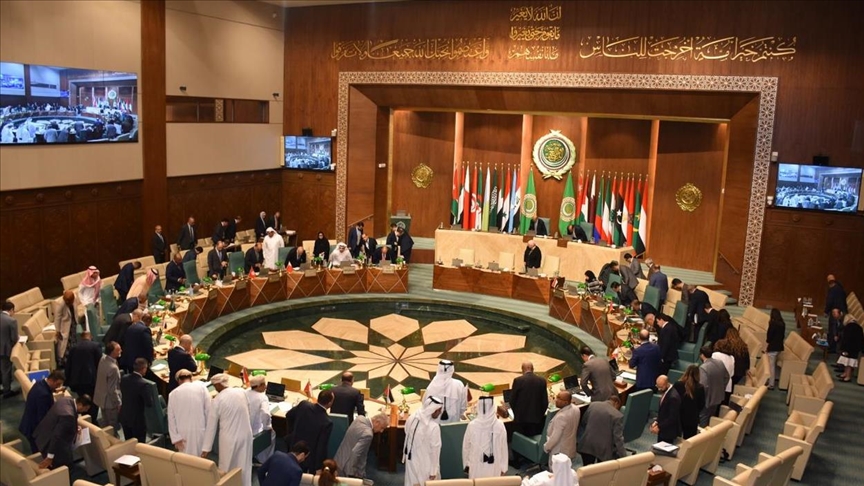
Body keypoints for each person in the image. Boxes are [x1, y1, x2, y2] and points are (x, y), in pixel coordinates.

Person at [203, 374, 254, 486]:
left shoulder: (217, 400)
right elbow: (249, 411)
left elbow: (211, 426)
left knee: (226, 467)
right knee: (245, 465)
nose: (215, 388)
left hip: (228, 438)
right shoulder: (242, 392)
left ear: (218, 384)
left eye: (215, 386)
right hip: (245, 435)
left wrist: (206, 448)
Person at [33, 394, 92, 470]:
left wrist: (74, 427)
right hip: (52, 445)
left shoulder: (66, 400)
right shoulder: (68, 416)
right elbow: (57, 437)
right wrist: (50, 457)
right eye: (86, 408)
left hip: (44, 435)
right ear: (80, 404)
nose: (86, 411)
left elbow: (61, 422)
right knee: (65, 467)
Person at [286, 389, 333, 472]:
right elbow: (321, 447)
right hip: (308, 458)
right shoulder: (327, 422)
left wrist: (291, 432)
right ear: (329, 403)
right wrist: (319, 467)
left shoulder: (304, 405)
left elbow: (289, 415)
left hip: (293, 447)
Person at [19, 370, 65, 453]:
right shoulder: (44, 395)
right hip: (34, 429)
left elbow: (47, 390)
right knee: (39, 453)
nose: (58, 387)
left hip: (28, 423)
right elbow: (43, 417)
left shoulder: (39, 383)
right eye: (57, 384)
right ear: (51, 380)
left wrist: (55, 391)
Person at [462, 396, 508, 478]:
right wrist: (503, 468)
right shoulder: (500, 425)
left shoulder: (472, 425)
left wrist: (466, 465)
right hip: (487, 466)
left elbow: (466, 448)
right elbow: (503, 448)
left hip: (479, 466)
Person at [167, 369, 211, 456]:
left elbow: (171, 418)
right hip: (199, 429)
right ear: (191, 378)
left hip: (182, 432)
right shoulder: (202, 389)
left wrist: (175, 438)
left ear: (179, 380)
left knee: (185, 460)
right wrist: (208, 435)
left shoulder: (173, 394)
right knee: (200, 459)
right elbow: (209, 411)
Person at [403, 396, 443, 486]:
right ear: (433, 410)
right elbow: (435, 451)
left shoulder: (412, 417)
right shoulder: (434, 427)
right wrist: (433, 471)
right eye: (439, 410)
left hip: (411, 460)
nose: (440, 412)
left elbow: (406, 431)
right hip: (426, 464)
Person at [333, 413, 388, 479]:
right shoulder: (368, 434)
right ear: (377, 422)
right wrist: (352, 474)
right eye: (382, 428)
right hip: (347, 468)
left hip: (339, 460)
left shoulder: (359, 418)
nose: (381, 431)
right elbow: (356, 453)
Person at [577, 396, 626, 465]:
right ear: (616, 403)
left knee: (587, 468)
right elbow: (618, 438)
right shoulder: (617, 416)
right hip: (604, 450)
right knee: (601, 470)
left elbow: (584, 422)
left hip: (587, 444)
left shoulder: (593, 405)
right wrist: (624, 457)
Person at [65, 331, 102, 417]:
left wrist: (68, 381)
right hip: (91, 380)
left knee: (82, 401)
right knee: (93, 401)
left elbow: (68, 365)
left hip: (77, 381)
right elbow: (100, 364)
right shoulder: (96, 346)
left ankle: (85, 417)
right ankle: (92, 419)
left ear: (81, 338)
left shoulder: (73, 348)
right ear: (91, 337)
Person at [510, 361, 548, 437]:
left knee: (522, 439)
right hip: (537, 419)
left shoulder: (518, 380)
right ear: (533, 369)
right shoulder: (542, 380)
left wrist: (517, 415)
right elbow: (545, 402)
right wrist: (539, 415)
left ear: (522, 369)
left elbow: (512, 400)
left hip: (521, 419)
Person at [120, 358, 153, 443]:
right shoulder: (143, 384)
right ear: (144, 368)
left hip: (125, 417)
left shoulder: (124, 378)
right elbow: (149, 403)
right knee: (140, 445)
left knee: (129, 443)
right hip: (137, 421)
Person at [543, 391, 580, 466]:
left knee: (555, 470)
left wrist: (547, 447)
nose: (556, 400)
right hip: (570, 447)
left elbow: (555, 437)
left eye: (559, 398)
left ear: (566, 402)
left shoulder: (561, 417)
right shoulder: (576, 409)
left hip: (559, 450)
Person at [93, 341, 122, 434]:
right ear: (112, 352)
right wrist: (118, 402)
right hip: (110, 401)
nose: (121, 351)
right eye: (118, 350)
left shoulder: (103, 359)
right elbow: (112, 389)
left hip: (101, 398)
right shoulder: (113, 368)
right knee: (112, 426)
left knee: (105, 423)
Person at [246, 375, 275, 462]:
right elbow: (265, 414)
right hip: (255, 433)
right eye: (264, 385)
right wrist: (268, 427)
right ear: (259, 386)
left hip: (243, 430)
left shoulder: (245, 393)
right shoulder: (262, 397)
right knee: (272, 434)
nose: (266, 387)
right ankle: (264, 460)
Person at [698, 346, 729, 426]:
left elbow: (703, 386)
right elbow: (727, 377)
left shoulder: (703, 368)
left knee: (703, 419)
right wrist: (721, 388)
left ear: (702, 355)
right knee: (712, 417)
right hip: (718, 396)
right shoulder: (720, 362)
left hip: (708, 399)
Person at [673, 365, 705, 439]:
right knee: (689, 440)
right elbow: (702, 404)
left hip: (679, 416)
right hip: (692, 418)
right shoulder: (700, 387)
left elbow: (673, 400)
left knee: (675, 440)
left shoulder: (678, 384)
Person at [650, 375, 681, 443]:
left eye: (661, 387)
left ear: (667, 384)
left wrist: (659, 427)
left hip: (668, 432)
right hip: (663, 428)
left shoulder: (673, 397)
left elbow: (672, 418)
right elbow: (663, 411)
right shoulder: (666, 392)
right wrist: (657, 422)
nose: (659, 389)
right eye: (658, 386)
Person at [54, 290, 79, 367]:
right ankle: (63, 362)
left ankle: (73, 359)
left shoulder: (74, 297)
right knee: (64, 344)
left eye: (69, 302)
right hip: (65, 325)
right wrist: (57, 330)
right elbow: (57, 318)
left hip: (73, 323)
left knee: (73, 341)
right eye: (67, 302)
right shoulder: (60, 304)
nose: (68, 304)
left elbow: (75, 310)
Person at [0, 301, 18, 398]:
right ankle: (7, 391)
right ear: (11, 310)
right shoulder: (12, 321)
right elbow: (14, 338)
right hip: (4, 350)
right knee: (6, 370)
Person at [837, 314, 863, 382]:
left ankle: (847, 377)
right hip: (855, 348)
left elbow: (845, 339)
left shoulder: (848, 327)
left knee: (848, 363)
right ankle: (845, 374)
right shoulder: (859, 327)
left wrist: (843, 348)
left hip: (848, 348)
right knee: (848, 362)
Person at [765, 308, 786, 389]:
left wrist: (767, 343)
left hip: (773, 348)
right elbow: (783, 336)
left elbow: (769, 337)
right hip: (779, 347)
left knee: (771, 366)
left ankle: (771, 384)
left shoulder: (773, 324)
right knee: (773, 364)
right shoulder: (782, 324)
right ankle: (772, 379)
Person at [711, 339, 736, 404]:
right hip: (728, 385)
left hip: (716, 384)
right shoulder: (732, 358)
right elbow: (732, 373)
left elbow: (711, 370)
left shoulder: (715, 355)